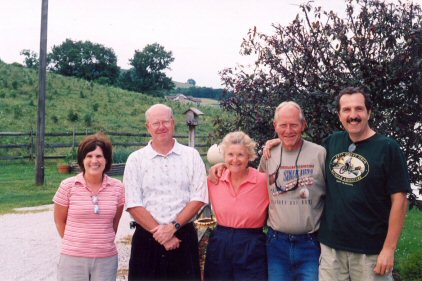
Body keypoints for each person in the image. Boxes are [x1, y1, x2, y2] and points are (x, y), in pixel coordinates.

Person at [211, 101, 326, 281]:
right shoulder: (269, 155)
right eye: (283, 125)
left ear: (303, 125)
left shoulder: (320, 154)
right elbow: (247, 173)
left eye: (294, 125)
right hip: (276, 243)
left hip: (309, 243)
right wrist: (222, 166)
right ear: (275, 126)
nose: (288, 130)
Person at [318, 87, 411, 281]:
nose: (353, 115)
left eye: (359, 109)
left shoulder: (387, 148)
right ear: (339, 115)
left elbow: (400, 201)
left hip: (371, 252)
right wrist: (276, 143)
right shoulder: (331, 143)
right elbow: (304, 154)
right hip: (332, 250)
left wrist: (389, 249)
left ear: (369, 112)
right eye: (347, 110)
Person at [123, 103, 208, 280]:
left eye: (165, 122)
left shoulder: (191, 156)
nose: (161, 127)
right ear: (148, 127)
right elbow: (132, 203)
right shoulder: (136, 159)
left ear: (173, 123)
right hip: (146, 239)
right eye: (156, 123)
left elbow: (199, 197)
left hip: (182, 237)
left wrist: (173, 227)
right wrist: (161, 233)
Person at [53, 133, 125, 281]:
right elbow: (60, 221)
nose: (94, 161)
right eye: (89, 156)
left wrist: (100, 243)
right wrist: (77, 243)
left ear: (106, 160)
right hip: (73, 258)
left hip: (106, 259)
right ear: (82, 160)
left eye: (99, 156)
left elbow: (114, 224)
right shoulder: (67, 186)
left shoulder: (118, 188)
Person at [204, 131, 269, 281]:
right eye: (230, 154)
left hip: (252, 244)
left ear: (249, 156)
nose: (235, 160)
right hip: (220, 243)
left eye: (240, 155)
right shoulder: (214, 180)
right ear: (224, 156)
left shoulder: (263, 181)